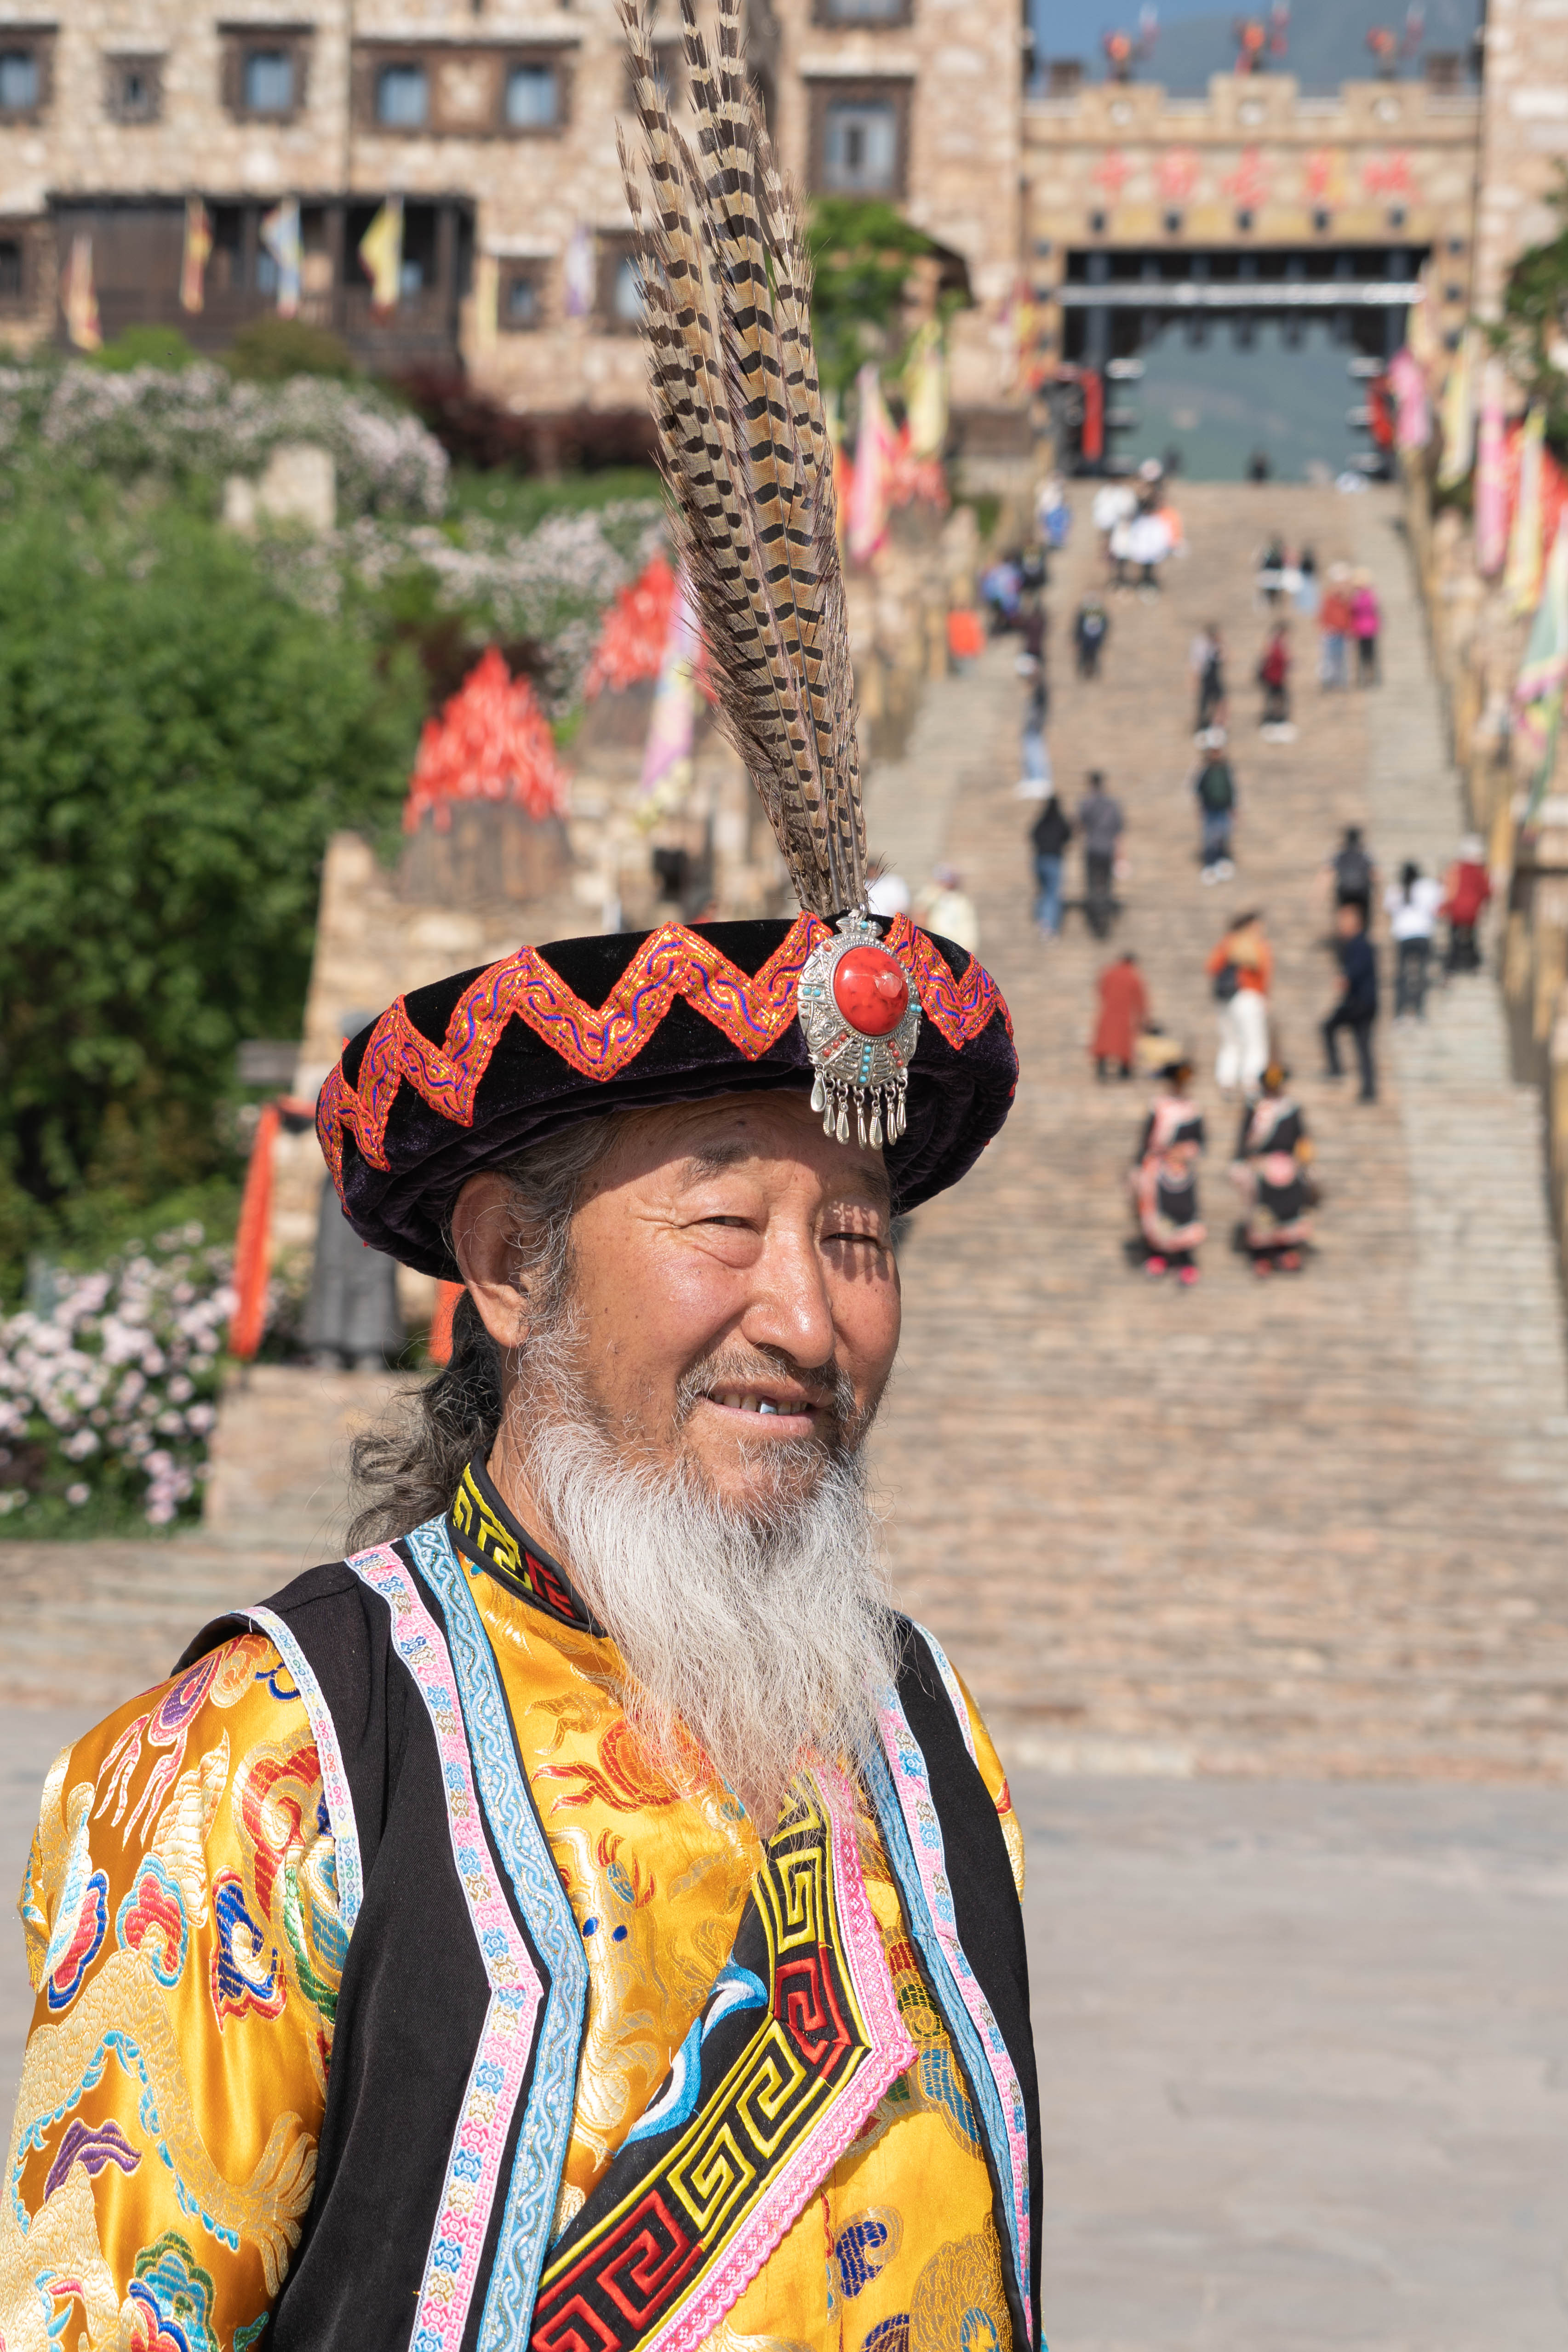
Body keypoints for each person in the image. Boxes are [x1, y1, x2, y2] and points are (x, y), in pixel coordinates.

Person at [1, 31, 1042, 2352]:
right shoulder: (268, 1762)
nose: (808, 1312)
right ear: (501, 1261)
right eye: (724, 1220)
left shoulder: (917, 1730)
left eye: (854, 1237)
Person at [1230, 1062, 1314, 1274]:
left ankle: (1287, 1249)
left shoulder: (1291, 1108)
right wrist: (1240, 1161)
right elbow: (1244, 1138)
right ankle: (1262, 1253)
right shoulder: (1257, 1108)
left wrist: (1306, 1161)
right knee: (1262, 1211)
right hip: (1262, 1165)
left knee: (1290, 1207)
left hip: (1288, 1165)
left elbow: (1301, 1137)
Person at [1131, 1061, 1206, 1283]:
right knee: (1155, 1212)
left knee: (1183, 1212)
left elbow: (1200, 1142)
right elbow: (1146, 1139)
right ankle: (1157, 1254)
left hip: (1181, 1170)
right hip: (1158, 1167)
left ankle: (1185, 1259)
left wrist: (1184, 1152)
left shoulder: (1193, 1109)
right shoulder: (1159, 1106)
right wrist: (1139, 1165)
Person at [1206, 909, 1273, 1100]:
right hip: (1250, 997)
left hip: (1227, 1000)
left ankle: (1226, 1081)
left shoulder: (1228, 943)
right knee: (1255, 1043)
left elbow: (1211, 966)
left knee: (1230, 1043)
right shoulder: (1258, 945)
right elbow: (1266, 974)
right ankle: (1252, 1083)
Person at [1323, 899, 1379, 1100]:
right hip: (1357, 1002)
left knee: (1361, 1044)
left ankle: (1366, 1087)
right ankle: (1365, 1087)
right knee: (1335, 1031)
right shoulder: (1349, 944)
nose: (1340, 925)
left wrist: (1346, 977)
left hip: (1361, 1004)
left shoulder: (1362, 944)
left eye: (1344, 921)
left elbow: (1358, 969)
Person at [1384, 858, 1444, 1018]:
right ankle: (1420, 1009)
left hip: (1403, 936)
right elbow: (1438, 906)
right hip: (1423, 934)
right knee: (1422, 974)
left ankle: (1399, 1010)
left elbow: (1388, 909)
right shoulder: (1428, 887)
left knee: (1402, 974)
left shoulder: (1395, 889)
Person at [1079, 768, 1125, 939]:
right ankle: (1104, 915)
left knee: (1092, 884)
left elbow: (1079, 825)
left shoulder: (1087, 803)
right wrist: (1121, 854)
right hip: (1108, 849)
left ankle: (1096, 916)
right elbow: (1118, 832)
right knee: (1106, 884)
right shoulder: (1112, 805)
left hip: (1092, 848)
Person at [1092, 950, 1149, 1080]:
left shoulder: (1109, 972)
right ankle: (1124, 1072)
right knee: (1124, 1045)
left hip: (1108, 1013)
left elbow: (1101, 990)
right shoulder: (1133, 976)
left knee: (1104, 1043)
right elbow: (1141, 999)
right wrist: (1143, 1017)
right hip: (1125, 1015)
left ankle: (1101, 1071)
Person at [1192, 730, 1237, 882]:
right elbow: (1197, 789)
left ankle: (1223, 862)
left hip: (1223, 809)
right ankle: (1210, 864)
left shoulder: (1226, 769)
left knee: (1224, 835)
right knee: (1210, 838)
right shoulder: (1204, 770)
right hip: (1210, 810)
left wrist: (1233, 807)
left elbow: (1232, 789)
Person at [1442, 832, 1492, 971]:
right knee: (1472, 936)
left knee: (1454, 936)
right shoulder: (1479, 873)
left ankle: (1453, 962)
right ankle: (1473, 962)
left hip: (1456, 910)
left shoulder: (1455, 870)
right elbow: (1487, 891)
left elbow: (1447, 887)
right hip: (1472, 911)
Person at [916, 862, 980, 956]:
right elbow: (920, 915)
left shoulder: (962, 902)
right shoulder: (930, 895)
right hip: (932, 946)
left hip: (955, 948)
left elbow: (968, 929)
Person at [1031, 786, 1072, 936]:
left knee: (1044, 891)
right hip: (1054, 859)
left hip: (1040, 859)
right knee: (1052, 893)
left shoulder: (1042, 821)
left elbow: (1033, 835)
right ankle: (1049, 925)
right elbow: (1068, 834)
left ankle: (1042, 919)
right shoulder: (1060, 821)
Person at [1328, 824, 1375, 921]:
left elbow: (1329, 872)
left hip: (1344, 891)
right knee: (1364, 919)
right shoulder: (1365, 853)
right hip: (1362, 892)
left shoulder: (1340, 854)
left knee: (1344, 918)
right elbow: (1374, 873)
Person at [1318, 564, 1352, 690]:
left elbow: (1349, 615)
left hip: (1342, 633)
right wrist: (1326, 627)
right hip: (1331, 633)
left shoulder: (1346, 600)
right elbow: (1323, 614)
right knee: (1329, 659)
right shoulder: (1328, 598)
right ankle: (1328, 682)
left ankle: (1341, 682)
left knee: (1342, 660)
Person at [1019, 662, 1050, 794]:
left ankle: (1039, 778)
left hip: (1035, 726)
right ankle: (1033, 778)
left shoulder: (1041, 688)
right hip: (1032, 725)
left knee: (1036, 752)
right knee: (1030, 752)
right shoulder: (1036, 688)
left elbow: (1040, 710)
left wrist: (1037, 723)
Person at [1257, 623, 1292, 733]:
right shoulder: (1273, 644)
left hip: (1278, 677)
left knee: (1280, 699)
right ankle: (1271, 720)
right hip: (1272, 677)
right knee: (1273, 699)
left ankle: (1278, 719)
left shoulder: (1280, 645)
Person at [1191, 623, 1226, 730]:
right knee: (1205, 702)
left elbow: (1224, 658)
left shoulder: (1217, 645)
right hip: (1207, 678)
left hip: (1215, 678)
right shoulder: (1201, 645)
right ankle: (1203, 725)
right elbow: (1198, 663)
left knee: (1219, 701)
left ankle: (1217, 724)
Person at [1351, 571, 1381, 685]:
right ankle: (1364, 678)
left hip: (1368, 628)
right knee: (1363, 656)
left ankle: (1372, 677)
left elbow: (1373, 610)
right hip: (1361, 629)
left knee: (1370, 655)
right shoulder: (1359, 596)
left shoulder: (1368, 596)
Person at [1074, 590, 1110, 679]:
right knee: (1084, 656)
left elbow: (1105, 624)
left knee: (1094, 656)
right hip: (1087, 639)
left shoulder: (1099, 612)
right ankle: (1082, 673)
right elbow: (1079, 625)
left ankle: (1096, 674)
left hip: (1095, 638)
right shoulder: (1084, 612)